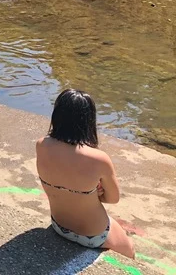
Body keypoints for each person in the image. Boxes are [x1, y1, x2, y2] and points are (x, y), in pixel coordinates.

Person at [36, 89, 135, 259]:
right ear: (88, 120)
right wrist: (94, 193)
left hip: (59, 225)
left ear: (57, 115)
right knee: (130, 250)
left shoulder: (41, 145)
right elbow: (113, 198)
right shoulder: (99, 159)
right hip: (93, 235)